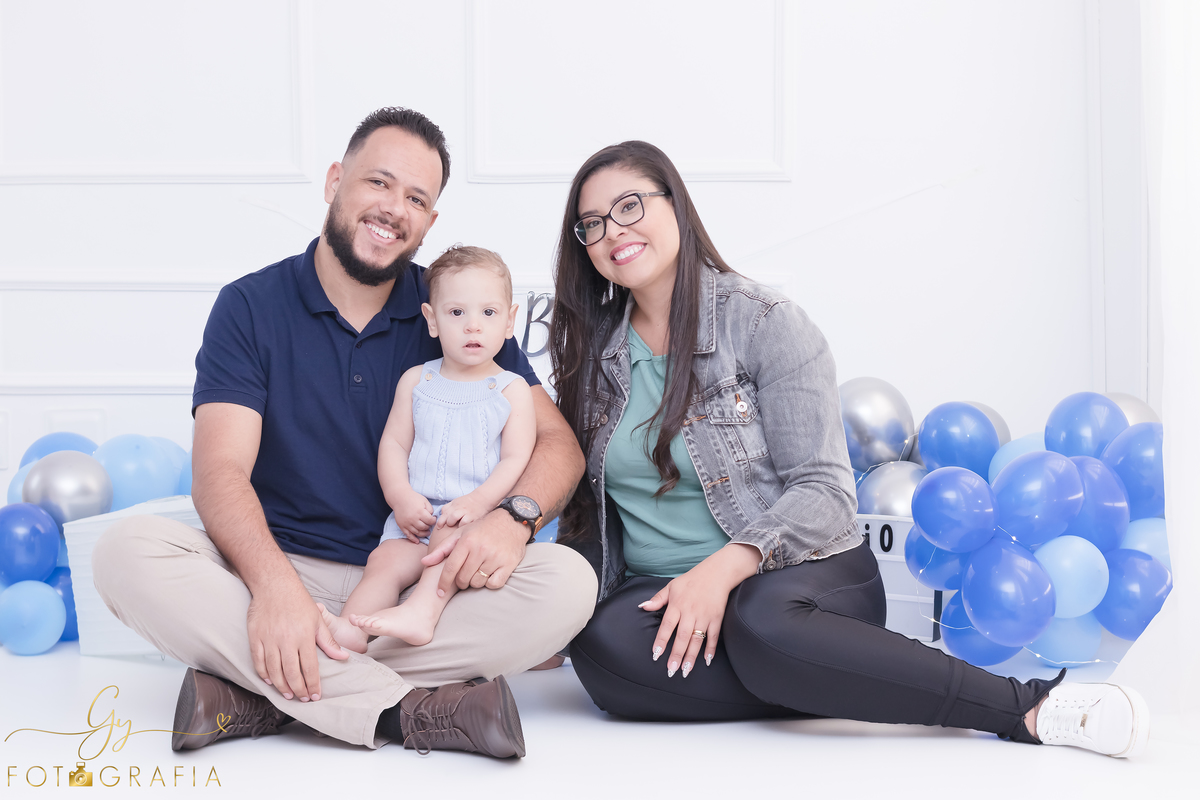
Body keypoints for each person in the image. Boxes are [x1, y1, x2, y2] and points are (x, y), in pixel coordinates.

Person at [549, 140, 1149, 758]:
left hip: (799, 577)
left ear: (674, 204)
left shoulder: (762, 321)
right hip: (668, 598)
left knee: (760, 622)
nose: (611, 232)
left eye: (629, 206)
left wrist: (725, 567)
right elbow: (586, 512)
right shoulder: (594, 359)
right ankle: (830, 677)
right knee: (600, 650)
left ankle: (1023, 706)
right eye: (591, 224)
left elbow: (827, 494)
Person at [91, 108, 596, 760]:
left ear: (430, 222)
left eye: (416, 198)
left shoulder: (452, 308)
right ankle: (404, 712)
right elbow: (219, 473)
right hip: (272, 569)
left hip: (419, 581)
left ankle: (259, 695)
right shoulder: (250, 306)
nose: (393, 208)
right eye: (378, 183)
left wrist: (513, 518)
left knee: (566, 583)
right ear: (335, 180)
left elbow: (557, 446)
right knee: (126, 552)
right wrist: (275, 593)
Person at [320, 245, 536, 650]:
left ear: (509, 321)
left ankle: (422, 612)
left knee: (450, 547)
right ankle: (352, 629)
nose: (473, 326)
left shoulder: (511, 388)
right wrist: (399, 497)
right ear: (432, 320)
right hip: (414, 519)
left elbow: (516, 459)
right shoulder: (417, 380)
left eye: (488, 313)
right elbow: (395, 445)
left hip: (473, 515)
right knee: (382, 563)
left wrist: (478, 502)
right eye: (457, 313)